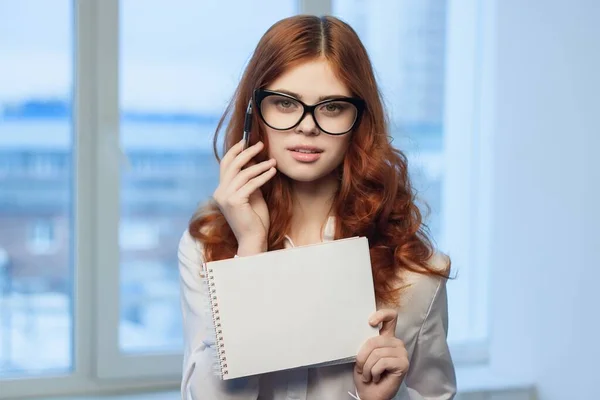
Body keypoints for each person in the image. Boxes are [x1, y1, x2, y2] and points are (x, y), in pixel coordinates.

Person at [178, 14, 456, 400]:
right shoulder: (205, 248)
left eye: (332, 107)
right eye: (284, 103)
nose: (307, 126)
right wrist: (250, 252)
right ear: (253, 113)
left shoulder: (414, 271)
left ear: (360, 120)